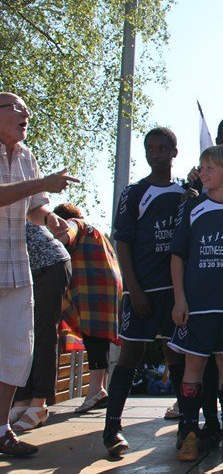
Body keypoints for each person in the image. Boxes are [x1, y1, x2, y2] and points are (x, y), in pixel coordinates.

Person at [101, 127, 187, 455]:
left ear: (174, 152)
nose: (156, 154)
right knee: (131, 355)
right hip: (143, 290)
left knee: (176, 354)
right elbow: (122, 242)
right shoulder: (135, 193)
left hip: (174, 292)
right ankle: (112, 428)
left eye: (162, 148)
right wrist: (134, 289)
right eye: (150, 148)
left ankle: (187, 425)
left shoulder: (186, 193)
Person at [0, 92, 77, 457]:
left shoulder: (26, 156)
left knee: (17, 353)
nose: (26, 114)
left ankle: (2, 430)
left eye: (27, 109)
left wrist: (51, 218)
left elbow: (34, 209)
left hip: (18, 270)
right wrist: (41, 184)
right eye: (18, 108)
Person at [169, 145, 223, 462]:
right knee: (193, 367)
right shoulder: (193, 207)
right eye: (201, 167)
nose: (202, 173)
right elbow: (177, 256)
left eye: (209, 168)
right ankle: (190, 431)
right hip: (197, 306)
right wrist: (180, 299)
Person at [54, 203, 123, 414]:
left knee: (93, 337)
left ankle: (95, 391)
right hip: (107, 287)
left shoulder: (75, 224)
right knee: (100, 338)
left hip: (91, 287)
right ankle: (99, 389)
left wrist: (53, 241)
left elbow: (66, 234)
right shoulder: (96, 233)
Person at [10, 223, 72, 432]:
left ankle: (39, 404)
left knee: (43, 334)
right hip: (24, 270)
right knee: (22, 335)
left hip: (50, 264)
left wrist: (50, 217)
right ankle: (22, 401)